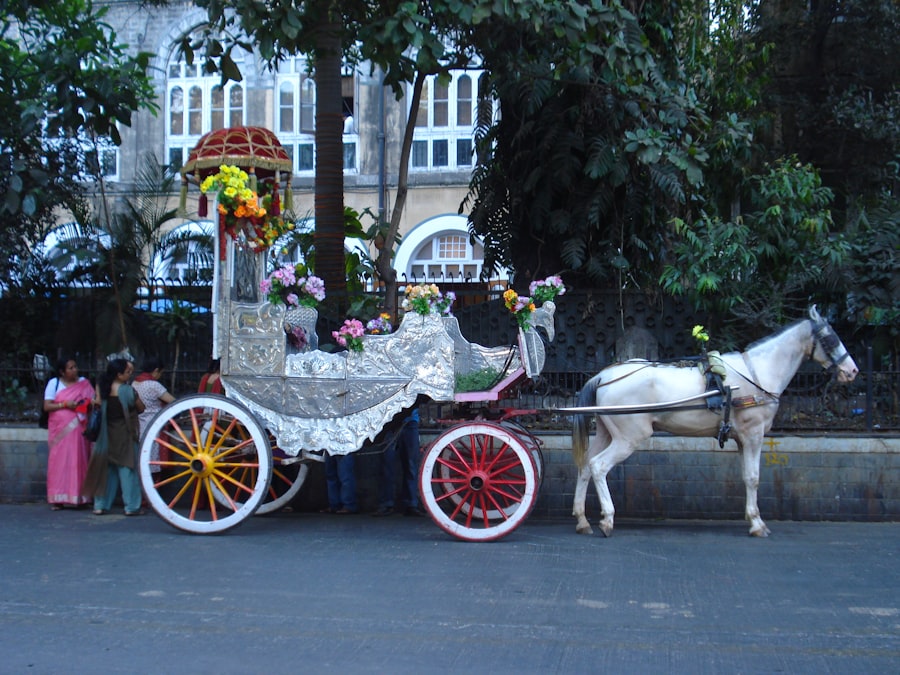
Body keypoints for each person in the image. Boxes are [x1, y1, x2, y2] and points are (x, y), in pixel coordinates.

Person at [81, 358, 145, 516]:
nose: (130, 375)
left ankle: (100, 505)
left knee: (106, 471)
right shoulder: (127, 391)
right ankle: (131, 506)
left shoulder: (101, 387)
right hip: (124, 433)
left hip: (105, 433)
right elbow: (141, 408)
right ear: (119, 374)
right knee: (127, 469)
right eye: (127, 372)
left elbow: (97, 404)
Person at [44, 356, 96, 510]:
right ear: (62, 371)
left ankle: (80, 497)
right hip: (60, 429)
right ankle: (57, 498)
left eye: (75, 367)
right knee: (58, 462)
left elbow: (93, 401)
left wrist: (85, 404)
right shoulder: (54, 384)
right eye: (71, 368)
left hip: (79, 427)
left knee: (79, 459)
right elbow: (47, 406)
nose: (75, 370)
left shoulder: (84, 383)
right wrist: (66, 404)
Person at [373, 409, 423, 516]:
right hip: (388, 421)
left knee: (410, 465)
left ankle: (409, 503)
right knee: (387, 464)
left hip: (408, 421)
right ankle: (390, 503)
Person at [132, 357, 175, 474]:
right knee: (154, 455)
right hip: (154, 424)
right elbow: (173, 401)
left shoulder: (135, 383)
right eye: (161, 373)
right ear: (156, 370)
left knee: (143, 453)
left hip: (139, 423)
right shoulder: (153, 385)